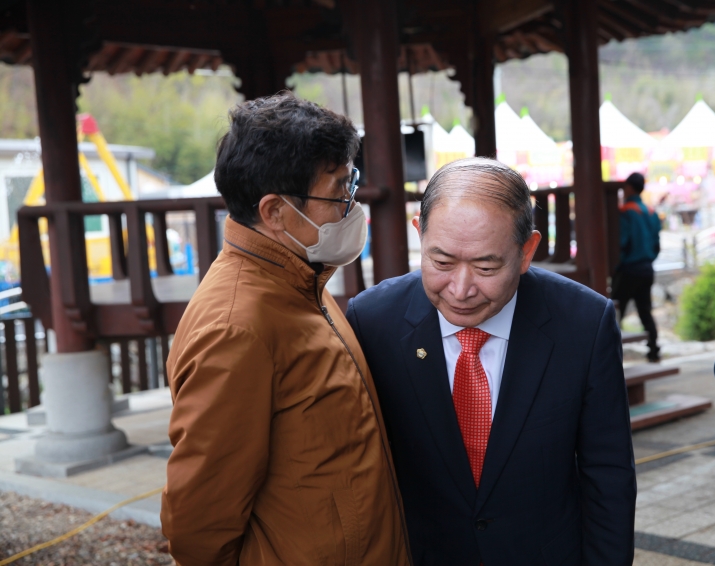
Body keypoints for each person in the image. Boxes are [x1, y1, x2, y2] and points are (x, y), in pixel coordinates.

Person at [346, 158, 636, 565]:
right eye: (441, 262)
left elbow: (608, 475)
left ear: (526, 251)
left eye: (486, 266)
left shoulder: (584, 323)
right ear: (419, 233)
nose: (461, 289)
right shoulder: (373, 320)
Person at [161, 93, 410, 566]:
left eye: (349, 185)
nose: (349, 207)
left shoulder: (301, 280)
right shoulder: (237, 328)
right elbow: (199, 523)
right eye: (338, 192)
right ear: (275, 212)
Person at [612, 172, 662, 362]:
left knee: (614, 312)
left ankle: (610, 352)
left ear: (630, 188)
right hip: (647, 268)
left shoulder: (625, 212)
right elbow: (657, 244)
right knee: (645, 310)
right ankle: (654, 350)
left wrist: (617, 264)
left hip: (628, 269)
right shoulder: (651, 212)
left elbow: (622, 242)